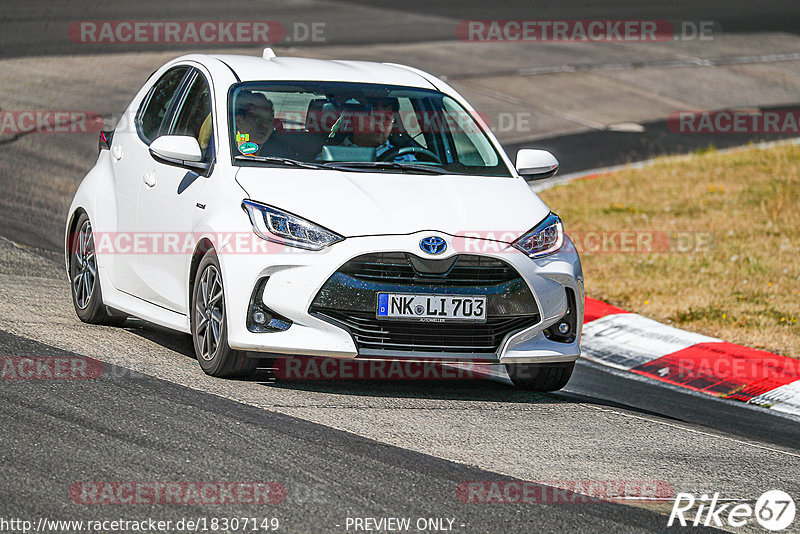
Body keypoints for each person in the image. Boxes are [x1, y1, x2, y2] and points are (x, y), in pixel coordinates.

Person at [342, 98, 418, 161]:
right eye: (376, 118)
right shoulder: (333, 154)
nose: (381, 125)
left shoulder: (406, 159)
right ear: (355, 119)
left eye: (386, 119)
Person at [234, 91, 299, 159]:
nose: (265, 125)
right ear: (238, 120)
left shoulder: (283, 155)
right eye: (258, 119)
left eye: (269, 120)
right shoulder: (226, 147)